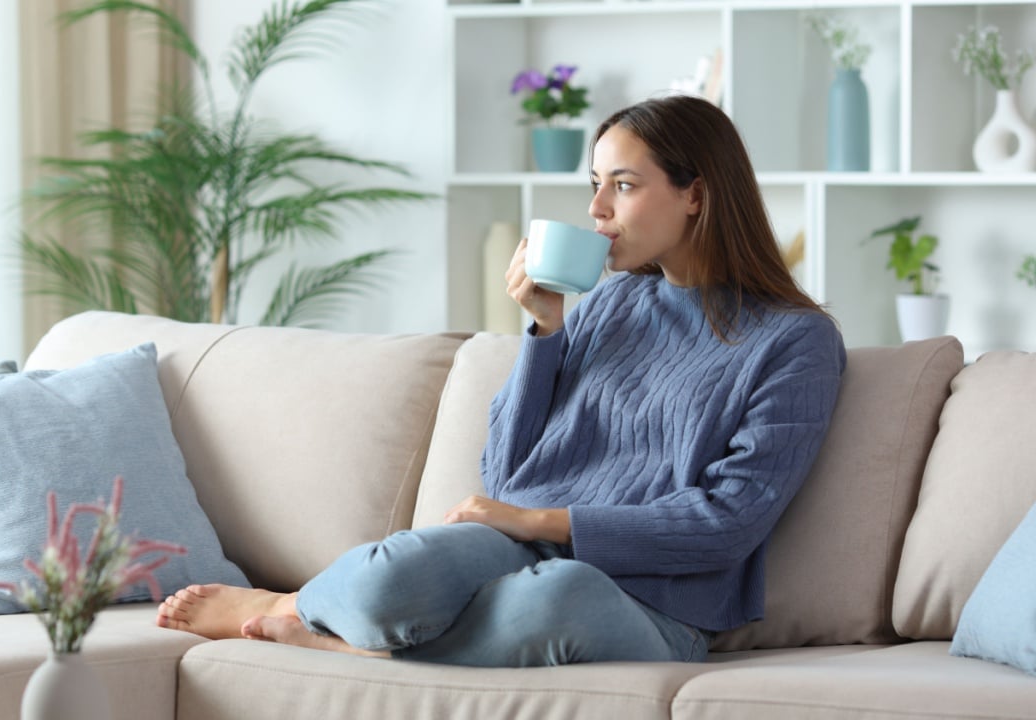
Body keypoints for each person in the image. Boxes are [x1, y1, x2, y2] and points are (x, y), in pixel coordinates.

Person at [155, 94, 846, 668]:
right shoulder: (609, 305)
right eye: (595, 185)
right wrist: (545, 332)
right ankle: (299, 606)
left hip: (657, 605)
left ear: (696, 195)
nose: (597, 209)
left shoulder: (794, 340)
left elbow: (727, 524)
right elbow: (508, 470)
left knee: (557, 598)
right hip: (511, 547)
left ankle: (333, 638)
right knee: (398, 573)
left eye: (625, 186)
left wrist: (539, 521)